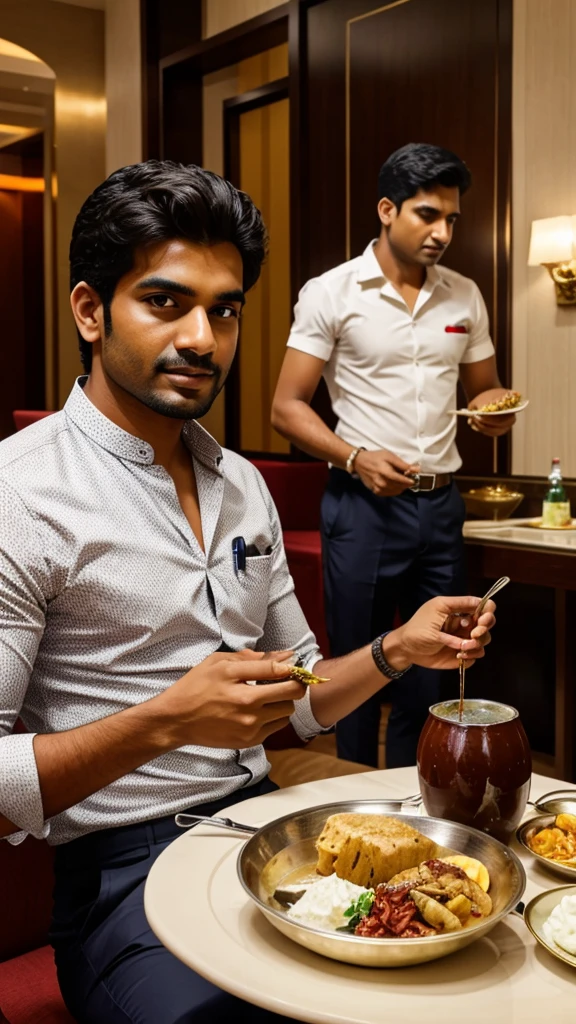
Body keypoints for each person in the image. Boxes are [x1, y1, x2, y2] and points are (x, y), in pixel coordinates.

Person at [0, 160, 495, 1024]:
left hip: (268, 841)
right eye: (165, 302)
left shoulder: (240, 485)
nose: (202, 336)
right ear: (89, 310)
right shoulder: (21, 494)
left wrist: (395, 650)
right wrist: (167, 720)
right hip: (121, 875)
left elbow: (298, 700)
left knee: (462, 974)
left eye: (224, 310)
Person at [271, 142, 516, 771]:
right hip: (362, 505)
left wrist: (494, 410)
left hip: (441, 506)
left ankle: (416, 791)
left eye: (451, 220)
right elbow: (287, 406)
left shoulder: (465, 295)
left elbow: (484, 389)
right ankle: (347, 787)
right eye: (427, 215)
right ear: (387, 209)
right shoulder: (332, 292)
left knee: (437, 662)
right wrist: (355, 457)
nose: (441, 233)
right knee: (357, 661)